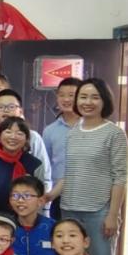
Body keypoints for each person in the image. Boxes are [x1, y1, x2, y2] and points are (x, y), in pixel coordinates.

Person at [46, 78, 128, 255]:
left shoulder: (114, 133)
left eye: (94, 97)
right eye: (83, 97)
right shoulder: (73, 133)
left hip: (98, 211)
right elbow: (70, 173)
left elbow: (120, 177)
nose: (87, 102)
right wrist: (49, 196)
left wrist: (113, 214)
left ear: (104, 101)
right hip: (69, 209)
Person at [0, 117, 50, 213]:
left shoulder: (35, 165)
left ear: (26, 139)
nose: (13, 137)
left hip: (25, 217)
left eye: (19, 133)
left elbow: (39, 198)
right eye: (8, 132)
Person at [0, 90, 53, 174]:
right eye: (1, 107)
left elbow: (44, 173)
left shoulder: (33, 137)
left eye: (11, 107)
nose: (6, 110)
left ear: (20, 111)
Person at [41, 78, 82, 219]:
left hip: (87, 194)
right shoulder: (50, 131)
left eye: (71, 95)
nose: (66, 99)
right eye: (61, 95)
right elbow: (46, 165)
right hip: (58, 196)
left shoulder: (91, 128)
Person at [10, 176, 57, 255]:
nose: (20, 200)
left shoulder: (54, 228)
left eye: (27, 196)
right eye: (15, 195)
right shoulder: (5, 227)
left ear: (40, 201)